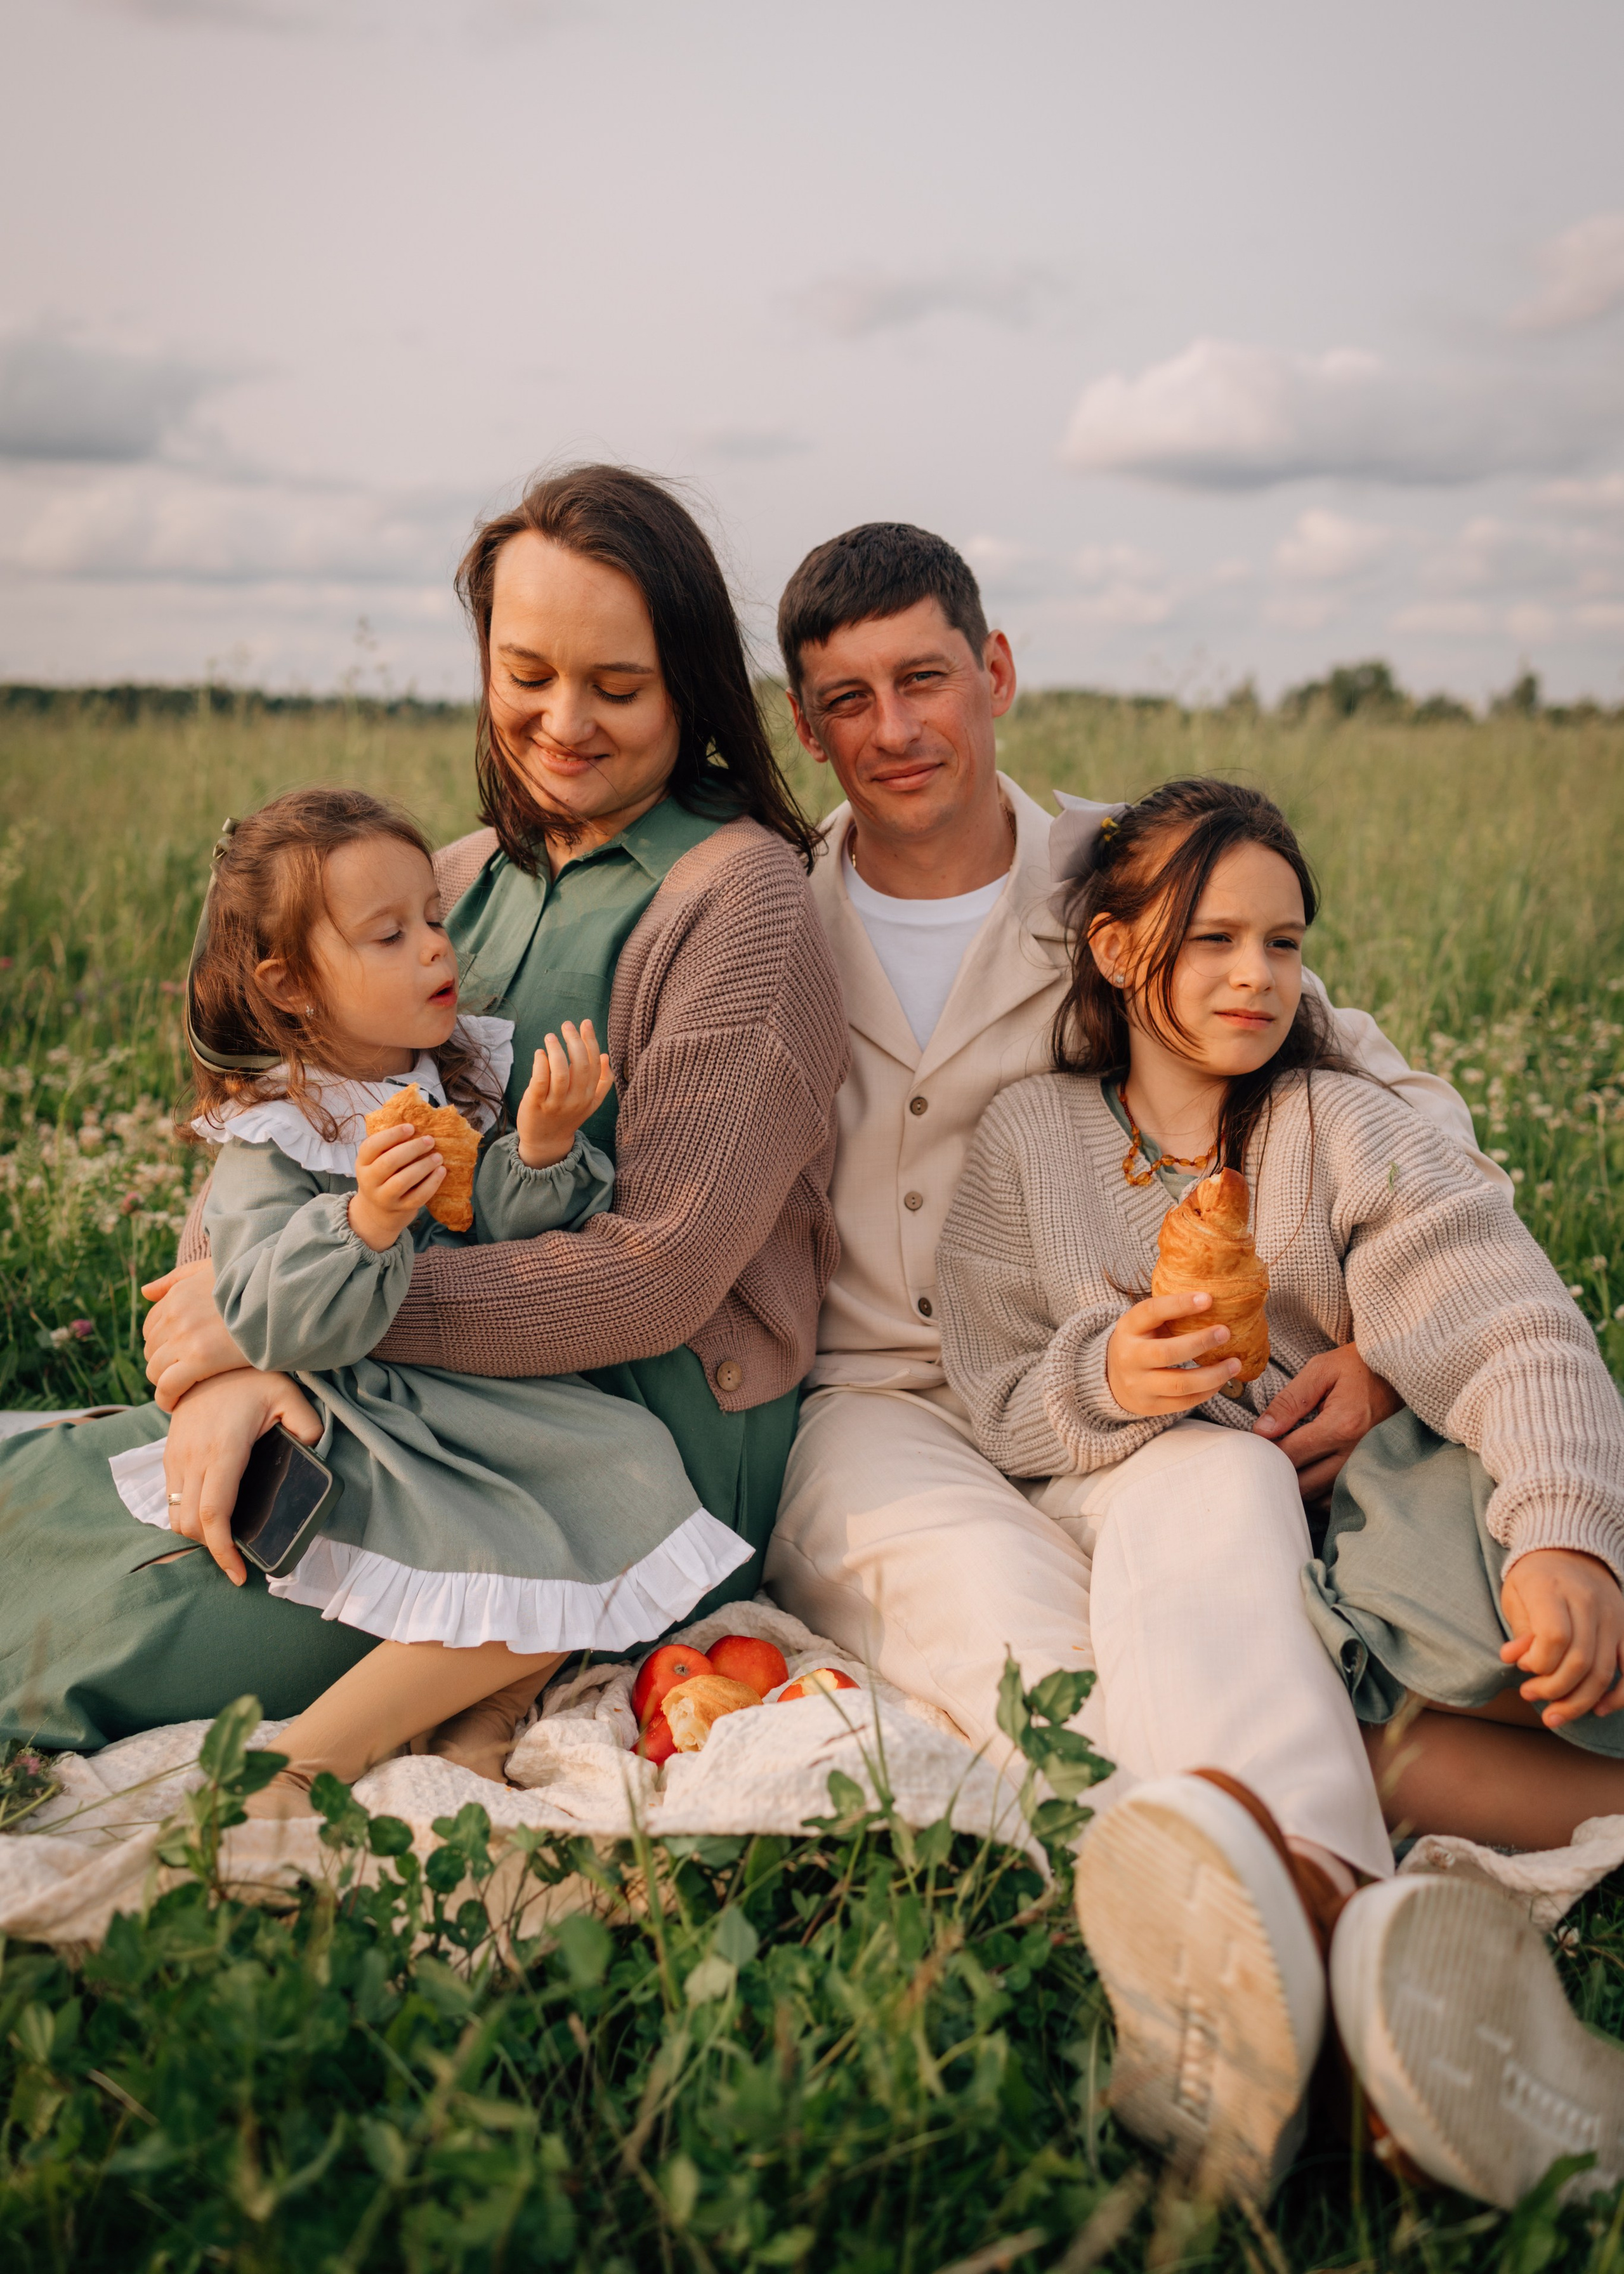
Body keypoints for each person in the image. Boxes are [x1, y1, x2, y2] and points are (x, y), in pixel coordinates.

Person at [16, 464, 845, 1770]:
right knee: (63, 1501)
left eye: (615, 688)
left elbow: (657, 1278)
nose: (561, 722)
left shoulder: (739, 903)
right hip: (392, 1392)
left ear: (689, 682)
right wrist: (232, 1362)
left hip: (613, 1448)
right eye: (525, 673)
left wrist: (301, 1320)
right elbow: (287, 1117)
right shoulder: (450, 879)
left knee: (132, 1621)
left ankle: (286, 1782)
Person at [934, 774, 1624, 2207]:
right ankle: (1354, 1966)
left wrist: (1568, 1532)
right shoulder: (1024, 1142)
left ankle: (1319, 1989)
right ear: (1120, 953)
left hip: (1387, 1560)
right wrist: (1109, 1375)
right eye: (1214, 943)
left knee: (1522, 1676)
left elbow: (1507, 1317)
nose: (1257, 976)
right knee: (1353, 1699)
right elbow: (995, 1395)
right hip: (1250, 1567)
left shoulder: (1330, 1125)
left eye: (1284, 944)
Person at [763, 521, 1499, 1776]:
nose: (890, 729)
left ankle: (1286, 1865)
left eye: (921, 679)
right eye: (848, 699)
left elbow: (1399, 1111)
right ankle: (1236, 1880)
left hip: (1131, 1393)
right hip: (882, 1408)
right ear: (805, 725)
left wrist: (1382, 1351)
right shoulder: (767, 915)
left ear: (993, 671)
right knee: (1031, 1664)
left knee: (1230, 1550)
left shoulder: (1122, 891)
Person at [0, 786, 754, 1808]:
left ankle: (475, 1722)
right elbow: (261, 1312)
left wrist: (534, 1152)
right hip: (362, 1414)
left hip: (449, 1389)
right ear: (292, 984)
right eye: (389, 935)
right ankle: (305, 1758)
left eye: (435, 923)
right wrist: (358, 1225)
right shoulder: (279, 1132)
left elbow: (480, 1230)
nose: (435, 953)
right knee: (561, 1529)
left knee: (613, 1476)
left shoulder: (435, 1081)